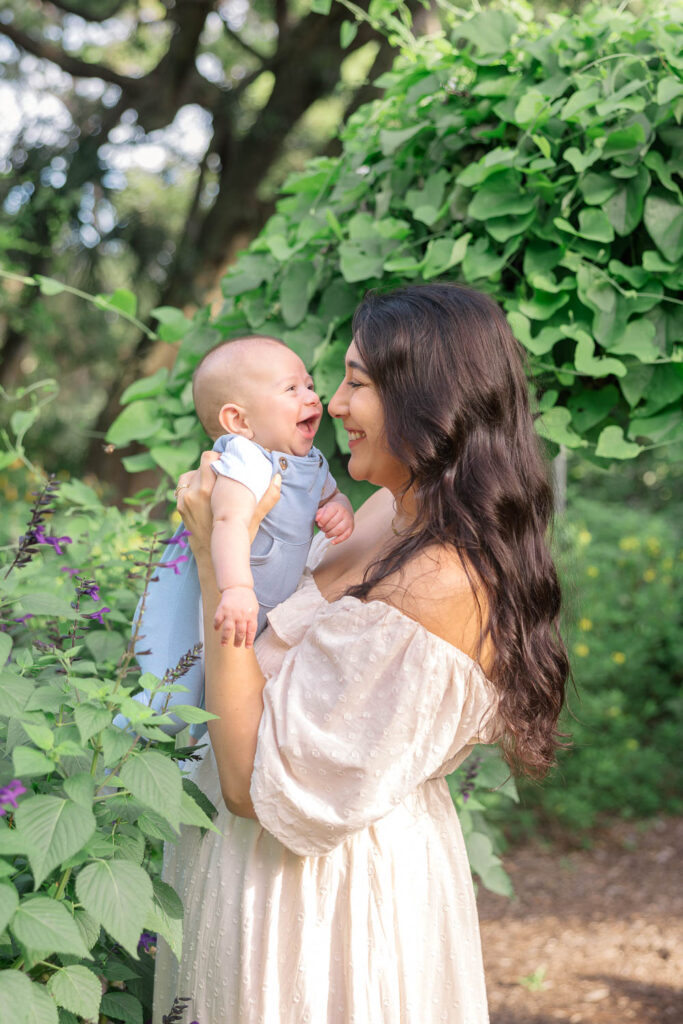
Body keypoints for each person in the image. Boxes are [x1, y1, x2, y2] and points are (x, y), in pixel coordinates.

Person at [152, 284, 569, 1024]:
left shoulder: (439, 583)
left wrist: (218, 563)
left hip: (320, 902)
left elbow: (256, 786)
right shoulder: (390, 511)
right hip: (249, 868)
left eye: (357, 381)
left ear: (427, 400)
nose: (334, 403)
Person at [117, 335, 353, 737]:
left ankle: (181, 775)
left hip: (243, 608)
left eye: (310, 385)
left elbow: (332, 493)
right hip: (202, 601)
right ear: (239, 422)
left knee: (218, 711)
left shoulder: (311, 462)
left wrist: (339, 509)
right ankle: (103, 758)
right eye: (291, 389)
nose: (312, 397)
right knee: (171, 700)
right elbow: (227, 523)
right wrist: (237, 587)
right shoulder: (245, 460)